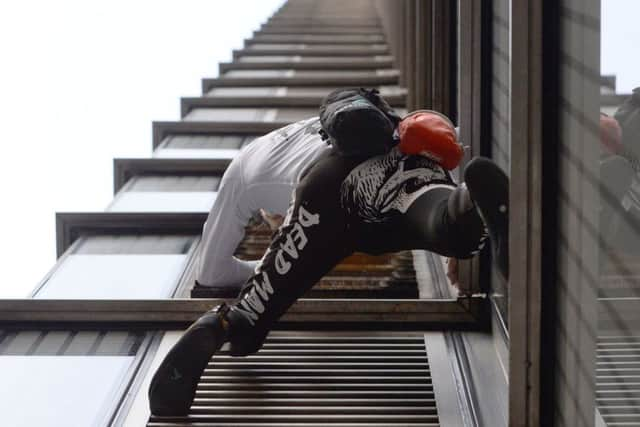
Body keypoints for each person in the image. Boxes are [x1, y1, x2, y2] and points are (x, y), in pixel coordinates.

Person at [148, 110, 509, 416]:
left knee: (251, 315)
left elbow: (212, 274)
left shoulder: (242, 167)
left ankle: (219, 324)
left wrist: (270, 267)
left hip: (321, 195)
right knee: (435, 223)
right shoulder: (334, 122)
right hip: (398, 159)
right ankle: (466, 203)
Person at [195, 89, 401, 295]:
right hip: (390, 142)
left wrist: (268, 267)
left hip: (357, 181)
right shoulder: (279, 139)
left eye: (279, 227)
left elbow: (211, 274)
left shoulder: (243, 181)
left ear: (269, 213)